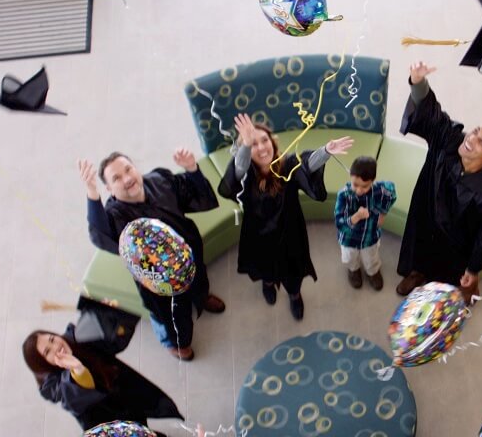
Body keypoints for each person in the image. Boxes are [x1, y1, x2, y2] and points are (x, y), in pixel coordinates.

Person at [78, 148, 226, 361]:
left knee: (199, 281)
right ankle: (177, 344)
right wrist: (92, 192)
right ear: (109, 189)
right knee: (172, 316)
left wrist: (191, 168)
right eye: (117, 178)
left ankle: (201, 298)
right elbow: (100, 233)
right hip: (159, 282)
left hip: (188, 255)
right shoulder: (115, 215)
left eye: (128, 169)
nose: (127, 178)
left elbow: (195, 196)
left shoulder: (160, 180)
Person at [396, 61, 482, 303]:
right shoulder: (450, 138)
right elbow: (432, 114)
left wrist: (473, 269)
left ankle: (441, 296)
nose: (472, 139)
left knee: (448, 276)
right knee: (419, 248)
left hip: (455, 241)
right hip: (426, 214)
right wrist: (418, 82)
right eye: (476, 131)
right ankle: (416, 274)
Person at [218, 113, 354, 320]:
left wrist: (325, 152)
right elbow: (237, 172)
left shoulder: (287, 166)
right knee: (265, 268)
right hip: (259, 236)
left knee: (294, 271)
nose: (262, 147)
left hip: (291, 233)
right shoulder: (247, 177)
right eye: (254, 144)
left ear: (272, 142)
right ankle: (269, 283)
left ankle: (294, 295)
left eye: (265, 140)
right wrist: (245, 144)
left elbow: (307, 165)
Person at [22, 326, 182, 434]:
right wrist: (77, 369)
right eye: (47, 351)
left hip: (124, 399)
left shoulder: (76, 338)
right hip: (109, 424)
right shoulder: (54, 387)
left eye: (52, 339)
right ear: (42, 364)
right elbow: (71, 394)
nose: (56, 346)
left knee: (140, 421)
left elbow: (113, 338)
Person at [334, 156, 397, 290]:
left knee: (371, 258)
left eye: (365, 186)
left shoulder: (379, 190)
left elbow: (391, 193)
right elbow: (339, 224)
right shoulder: (343, 195)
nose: (359, 190)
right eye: (355, 184)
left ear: (372, 182)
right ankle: (354, 270)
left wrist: (383, 213)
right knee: (350, 258)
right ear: (351, 176)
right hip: (349, 239)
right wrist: (355, 217)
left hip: (370, 236)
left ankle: (373, 272)